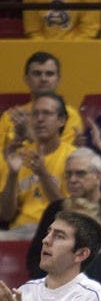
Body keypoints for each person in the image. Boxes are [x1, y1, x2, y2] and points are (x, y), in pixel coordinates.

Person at [27, 148, 101, 277]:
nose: (72, 180)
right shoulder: (56, 208)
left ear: (98, 176)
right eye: (68, 174)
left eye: (80, 174)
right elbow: (35, 256)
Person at [0, 92, 75, 235]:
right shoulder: (17, 156)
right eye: (35, 114)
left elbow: (69, 214)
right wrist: (12, 173)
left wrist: (43, 174)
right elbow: (5, 215)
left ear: (62, 120)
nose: (40, 119)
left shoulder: (74, 158)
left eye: (47, 113)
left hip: (59, 231)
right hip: (20, 231)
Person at [0, 52, 82, 155]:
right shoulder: (9, 117)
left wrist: (29, 134)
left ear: (58, 79)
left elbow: (61, 157)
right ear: (26, 79)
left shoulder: (69, 115)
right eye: (37, 74)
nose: (43, 79)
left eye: (49, 74)